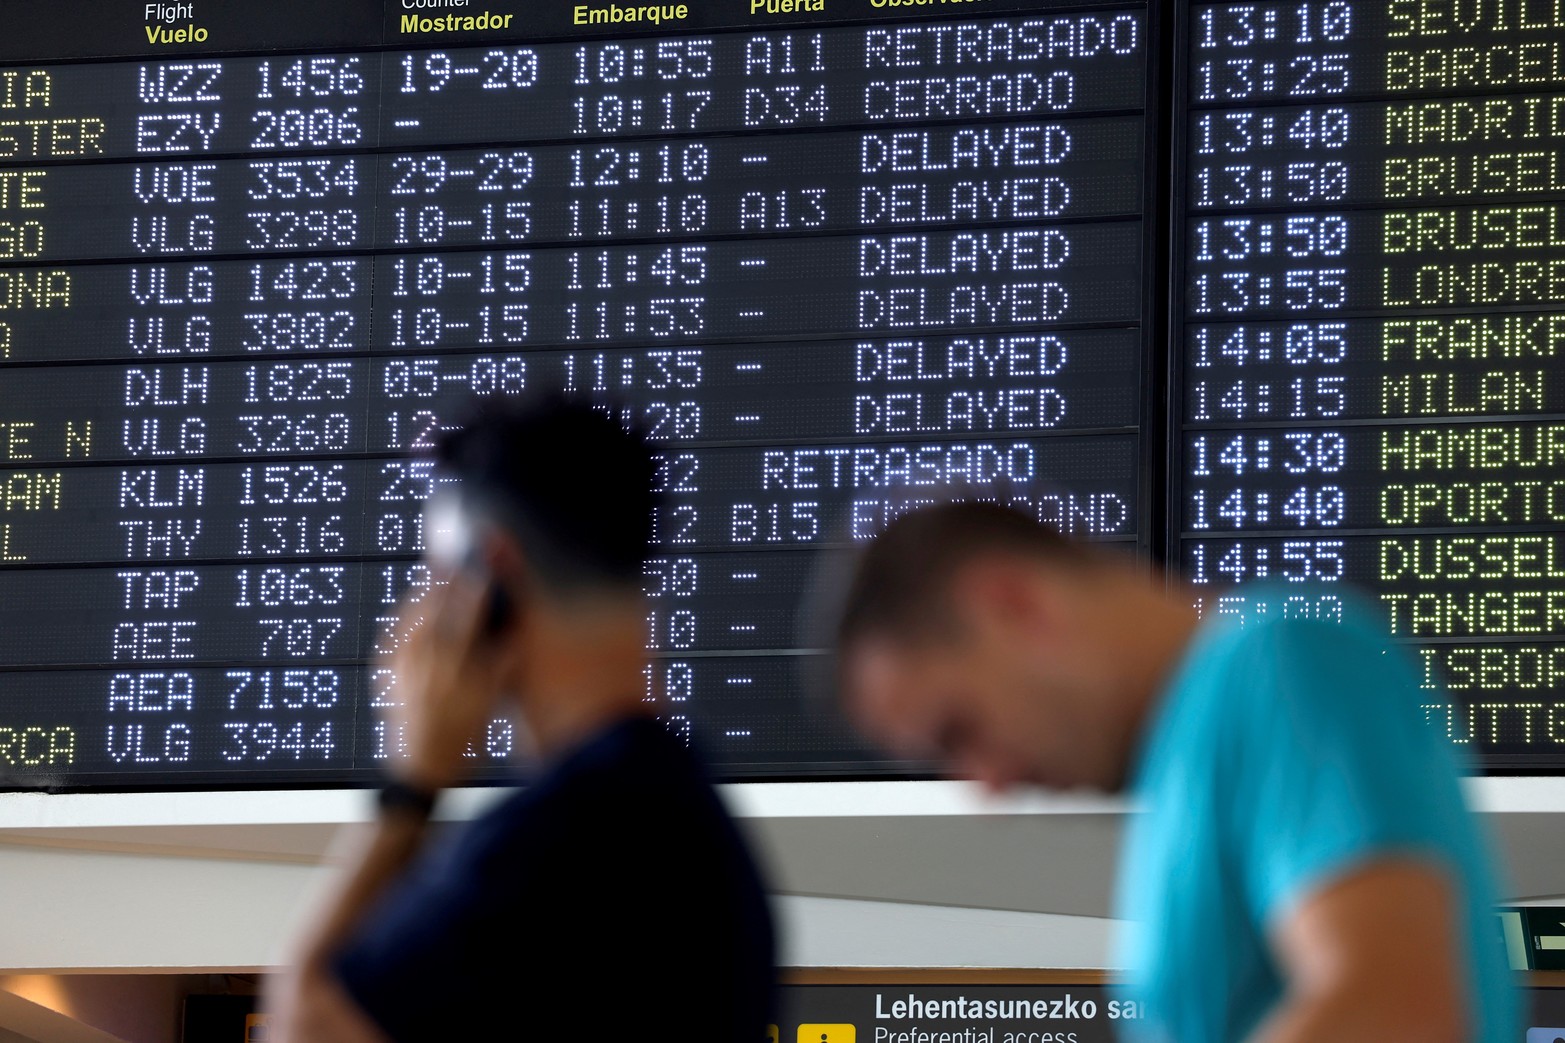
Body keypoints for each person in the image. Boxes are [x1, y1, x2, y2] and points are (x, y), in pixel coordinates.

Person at [830, 499, 1518, 1042]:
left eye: (958, 730)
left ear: (1013, 603)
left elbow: (1393, 1010)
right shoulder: (1181, 762)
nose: (986, 784)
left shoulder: (1280, 659)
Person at [267, 393, 776, 1043]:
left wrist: (413, 781)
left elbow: (303, 1028)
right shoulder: (694, 823)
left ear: (492, 571)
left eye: (438, 577)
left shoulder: (551, 842)